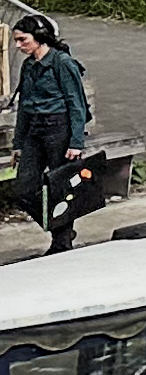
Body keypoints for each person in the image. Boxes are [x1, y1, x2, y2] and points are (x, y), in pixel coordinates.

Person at [10, 16, 92, 255]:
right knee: (24, 189)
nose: (19, 46)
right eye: (16, 41)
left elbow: (76, 103)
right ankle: (58, 225)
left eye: (23, 40)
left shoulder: (62, 63)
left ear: (39, 37)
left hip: (59, 128)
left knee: (60, 186)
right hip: (35, 129)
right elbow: (24, 106)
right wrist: (18, 143)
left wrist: (76, 142)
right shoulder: (29, 66)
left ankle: (61, 240)